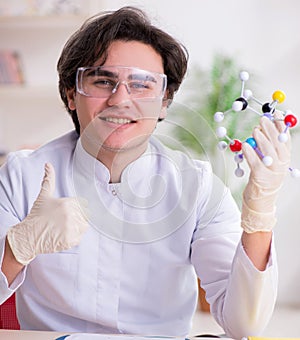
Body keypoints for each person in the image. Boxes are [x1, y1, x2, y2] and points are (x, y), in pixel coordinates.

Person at [0, 6, 291, 339]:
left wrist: (260, 214)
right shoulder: (23, 177)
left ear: (164, 102)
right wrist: (17, 248)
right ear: (71, 94)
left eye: (141, 85)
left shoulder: (197, 189)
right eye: (102, 80)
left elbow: (244, 324)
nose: (121, 100)